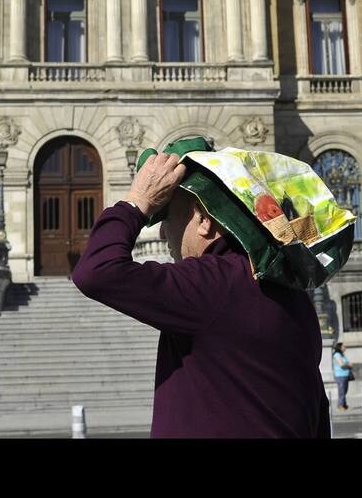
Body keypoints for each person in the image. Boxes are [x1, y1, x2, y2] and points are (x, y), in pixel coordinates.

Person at [71, 151, 331, 438]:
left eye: (166, 215)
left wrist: (138, 201)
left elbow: (96, 271)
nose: (161, 234)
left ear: (203, 219)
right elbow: (317, 411)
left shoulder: (212, 284)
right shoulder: (292, 293)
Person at [332, 343, 353, 410]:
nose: (345, 347)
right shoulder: (337, 355)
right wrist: (348, 364)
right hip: (340, 375)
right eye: (343, 346)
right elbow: (341, 364)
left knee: (344, 391)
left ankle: (344, 404)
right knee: (342, 391)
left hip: (345, 375)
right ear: (340, 347)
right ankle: (340, 405)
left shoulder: (342, 355)